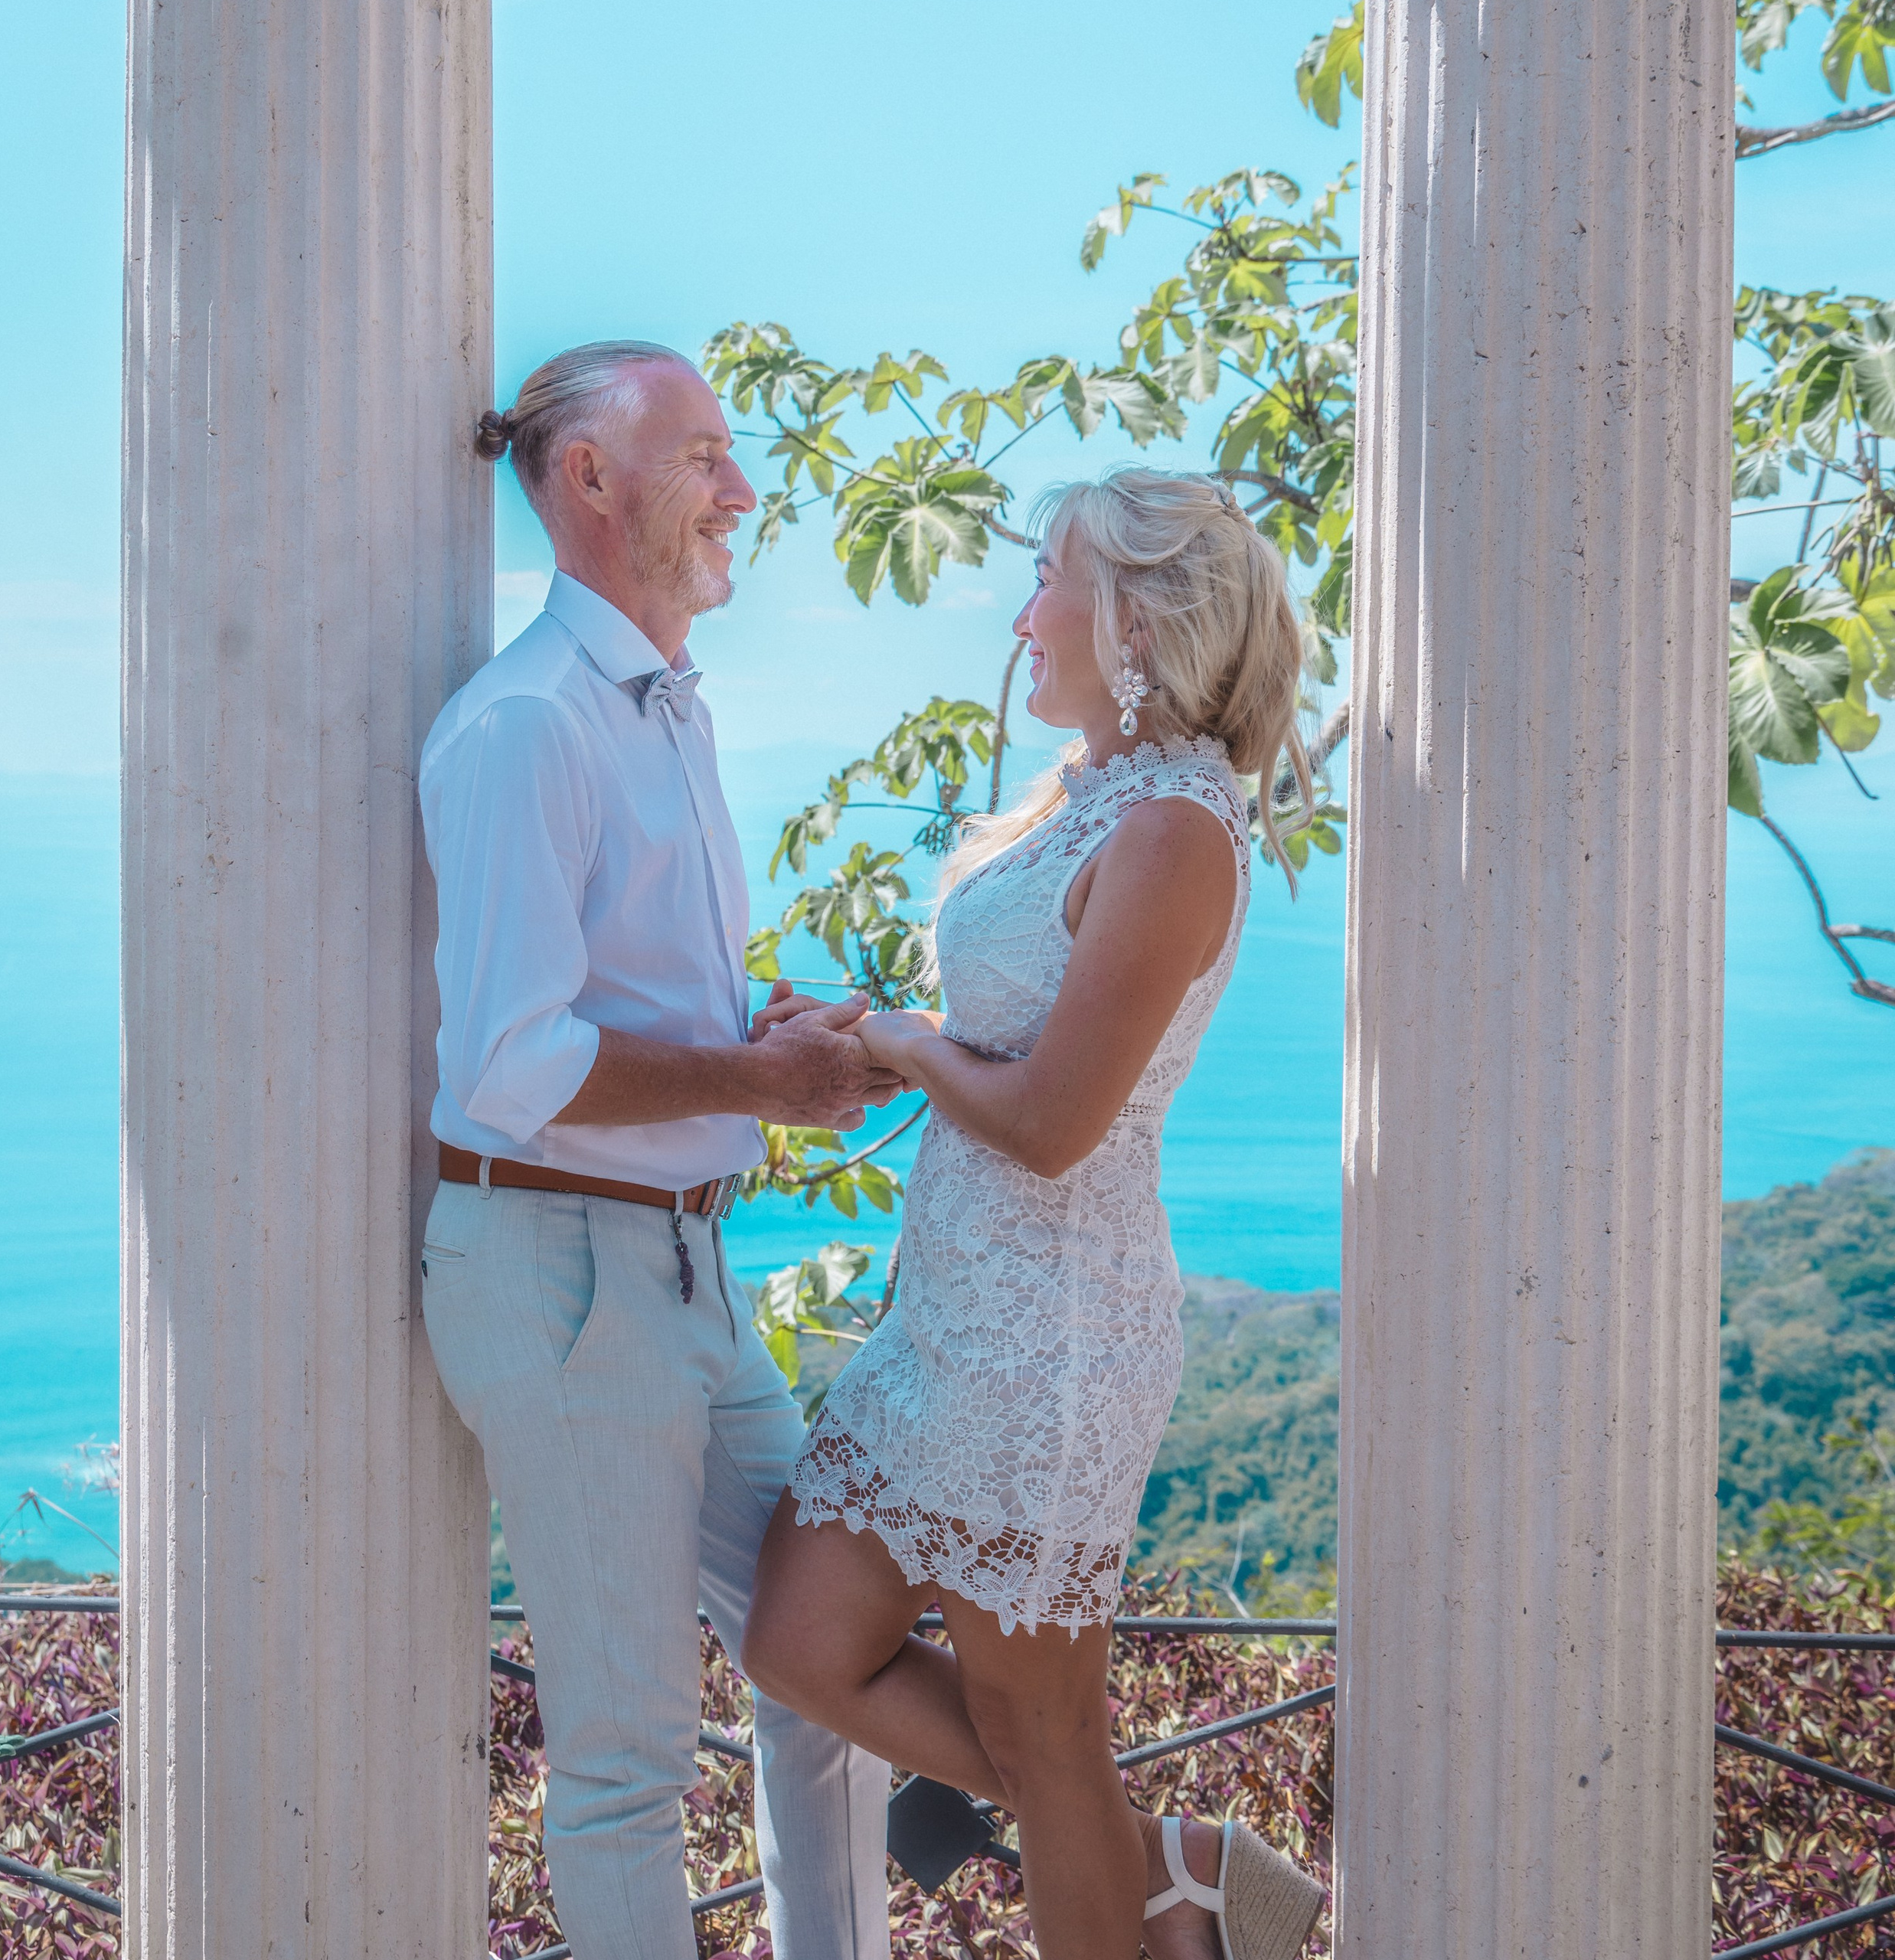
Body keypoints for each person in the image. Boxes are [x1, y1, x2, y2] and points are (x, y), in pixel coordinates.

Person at [740, 469, 1329, 1960]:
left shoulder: (1180, 830)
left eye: (1047, 577)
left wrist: (897, 1041)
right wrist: (888, 1034)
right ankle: (1180, 1866)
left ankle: (1159, 1891)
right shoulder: (1080, 797)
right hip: (952, 1307)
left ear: (1136, 615)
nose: (1020, 613)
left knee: (1040, 1725)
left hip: (1052, 1332)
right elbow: (1009, 1037)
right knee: (802, 1640)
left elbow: (1057, 1122)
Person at [416, 340, 898, 1960]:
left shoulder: (660, 712)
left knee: (827, 1666)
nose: (742, 491)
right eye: (703, 455)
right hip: (561, 1272)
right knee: (624, 1762)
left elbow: (632, 1000)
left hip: (680, 1268)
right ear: (590, 480)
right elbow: (512, 1061)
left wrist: (758, 1030)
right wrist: (765, 1081)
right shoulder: (527, 725)